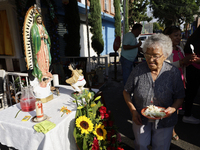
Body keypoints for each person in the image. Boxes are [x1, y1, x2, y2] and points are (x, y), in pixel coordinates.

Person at [123, 33, 185, 150]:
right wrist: (133, 111)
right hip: (140, 116)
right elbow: (126, 91)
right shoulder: (138, 70)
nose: (150, 59)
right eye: (147, 54)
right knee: (140, 144)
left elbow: (180, 96)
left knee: (161, 147)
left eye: (155, 56)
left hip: (165, 119)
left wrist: (172, 109)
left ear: (166, 55)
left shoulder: (173, 72)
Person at [164, 26, 197, 140]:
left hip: (180, 82)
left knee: (177, 108)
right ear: (168, 36)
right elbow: (164, 66)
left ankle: (172, 129)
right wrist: (183, 61)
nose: (179, 37)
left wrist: (187, 61)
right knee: (169, 107)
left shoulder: (179, 48)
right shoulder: (164, 49)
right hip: (169, 83)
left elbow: (181, 65)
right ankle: (168, 131)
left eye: (180, 35)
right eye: (176, 35)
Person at [182, 25, 200, 124]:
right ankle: (187, 114)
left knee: (189, 93)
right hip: (196, 69)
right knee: (191, 93)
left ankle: (185, 111)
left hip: (190, 68)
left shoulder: (193, 38)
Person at [31, 13, 52, 88]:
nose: (40, 20)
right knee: (40, 59)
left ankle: (46, 71)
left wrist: (46, 36)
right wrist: (40, 36)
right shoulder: (34, 27)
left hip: (44, 46)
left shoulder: (42, 27)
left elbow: (47, 36)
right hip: (39, 47)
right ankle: (42, 72)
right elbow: (34, 37)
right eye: (38, 19)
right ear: (36, 19)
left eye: (40, 19)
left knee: (46, 58)